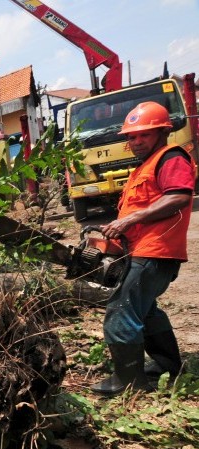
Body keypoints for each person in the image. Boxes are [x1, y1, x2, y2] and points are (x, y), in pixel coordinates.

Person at [90, 101, 196, 396]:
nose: (136, 142)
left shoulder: (171, 157)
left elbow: (179, 197)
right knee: (146, 310)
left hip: (157, 250)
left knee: (121, 310)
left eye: (144, 135)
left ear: (162, 132)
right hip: (144, 249)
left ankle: (129, 382)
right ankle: (166, 363)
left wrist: (131, 219)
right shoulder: (144, 167)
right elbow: (137, 209)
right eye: (132, 137)